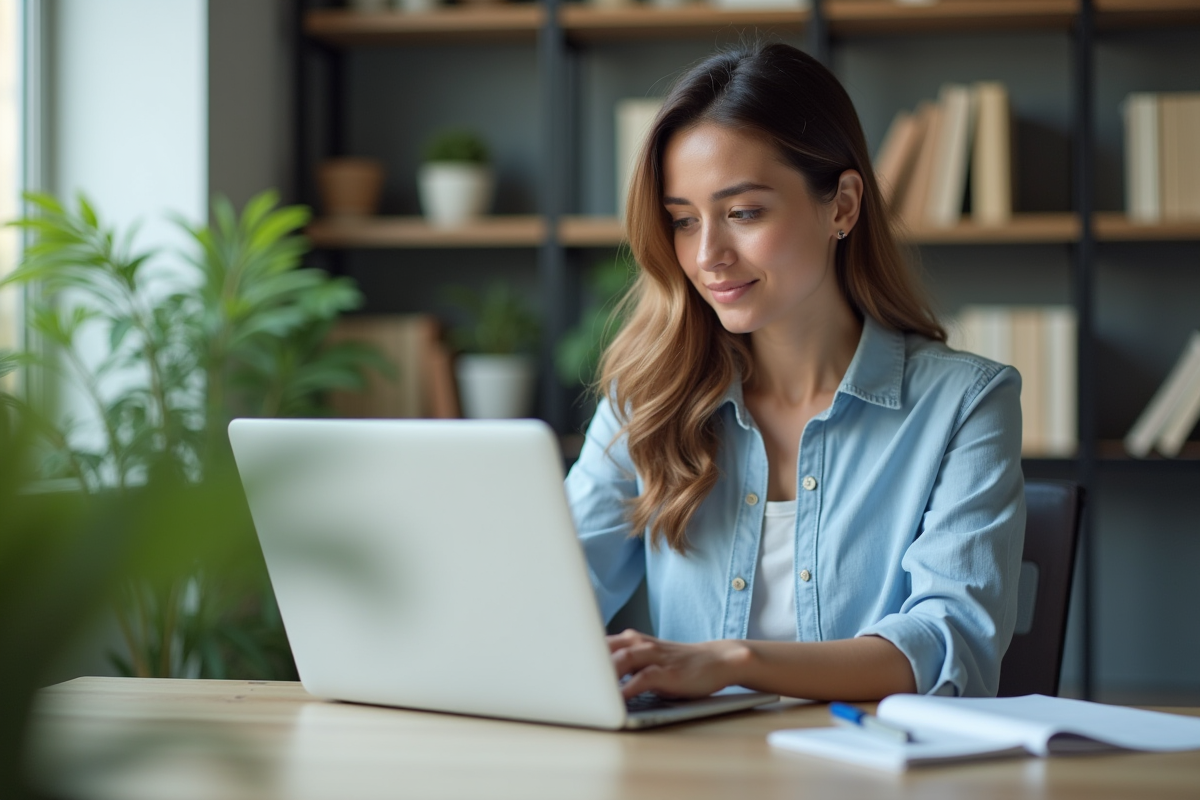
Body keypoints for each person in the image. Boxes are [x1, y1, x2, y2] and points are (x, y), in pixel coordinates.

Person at [563, 42, 1025, 702]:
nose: (708, 256)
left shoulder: (966, 404)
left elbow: (948, 642)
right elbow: (556, 588)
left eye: (744, 212)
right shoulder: (647, 399)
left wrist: (731, 660)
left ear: (841, 205)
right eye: (682, 221)